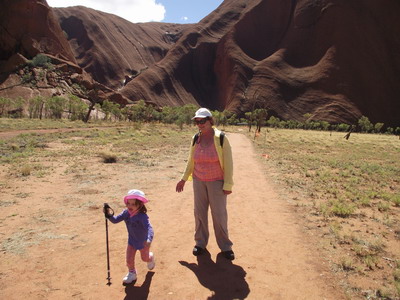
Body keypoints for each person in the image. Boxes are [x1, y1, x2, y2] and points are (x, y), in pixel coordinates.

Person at [176, 108, 235, 260]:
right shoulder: (196, 138)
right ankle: (200, 243)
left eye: (202, 121)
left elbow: (229, 163)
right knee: (199, 213)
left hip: (216, 182)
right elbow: (191, 160)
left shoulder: (221, 138)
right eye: (197, 121)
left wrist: (228, 184)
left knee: (219, 215)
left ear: (210, 120)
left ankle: (225, 246)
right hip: (198, 181)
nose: (199, 124)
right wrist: (183, 178)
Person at [104, 189, 155, 284]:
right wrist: (108, 215)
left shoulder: (142, 216)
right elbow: (115, 220)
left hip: (143, 243)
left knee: (144, 258)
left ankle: (150, 257)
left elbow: (149, 228)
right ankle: (132, 273)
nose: (130, 206)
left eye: (133, 204)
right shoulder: (126, 213)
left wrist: (148, 239)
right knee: (129, 259)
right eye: (128, 203)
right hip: (131, 241)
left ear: (140, 205)